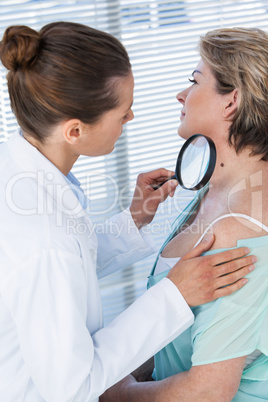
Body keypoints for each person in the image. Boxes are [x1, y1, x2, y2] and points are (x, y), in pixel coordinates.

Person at [0, 22, 255, 402]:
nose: (131, 118)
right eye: (123, 112)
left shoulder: (17, 168)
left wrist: (132, 220)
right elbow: (72, 387)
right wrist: (174, 294)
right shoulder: (42, 239)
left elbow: (65, 266)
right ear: (74, 131)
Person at [100, 27, 268, 401]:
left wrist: (114, 391)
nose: (181, 94)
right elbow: (180, 339)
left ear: (232, 102)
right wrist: (118, 370)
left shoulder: (240, 230)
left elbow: (206, 391)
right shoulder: (215, 192)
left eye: (194, 81)